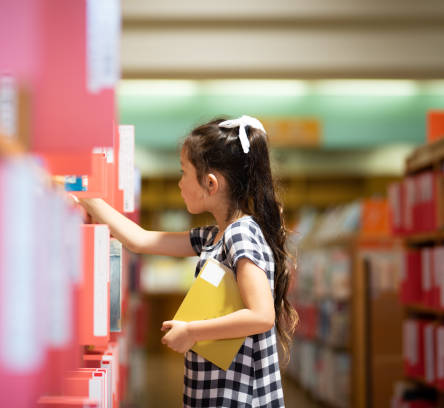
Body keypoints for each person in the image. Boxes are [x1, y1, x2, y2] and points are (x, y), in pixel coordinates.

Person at [75, 115, 297, 407]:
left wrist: (192, 331)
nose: (179, 183)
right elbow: (139, 240)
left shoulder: (241, 234)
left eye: (183, 172)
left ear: (210, 183)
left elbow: (261, 315)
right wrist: (85, 194)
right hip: (218, 392)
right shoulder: (212, 236)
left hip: (241, 397)